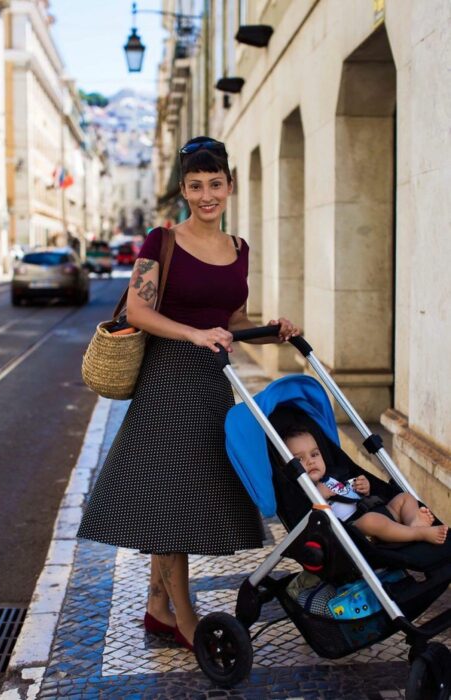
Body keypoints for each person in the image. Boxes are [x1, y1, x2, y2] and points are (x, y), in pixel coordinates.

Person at [77, 136, 301, 651]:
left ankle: (157, 606)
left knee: (180, 495)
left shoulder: (238, 249)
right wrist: (193, 334)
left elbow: (232, 319)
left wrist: (272, 329)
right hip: (167, 383)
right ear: (184, 190)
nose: (206, 195)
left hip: (211, 385)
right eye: (196, 186)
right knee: (171, 499)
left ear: (229, 187)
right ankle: (184, 615)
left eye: (215, 184)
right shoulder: (162, 241)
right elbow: (137, 311)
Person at [284, 429, 448, 545]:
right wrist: (318, 499)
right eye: (299, 460)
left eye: (314, 454)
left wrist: (364, 487)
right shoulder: (302, 494)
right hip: (356, 531)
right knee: (372, 521)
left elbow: (353, 493)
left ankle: (413, 522)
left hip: (376, 511)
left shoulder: (335, 475)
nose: (310, 461)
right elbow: (311, 528)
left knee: (405, 498)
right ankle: (419, 534)